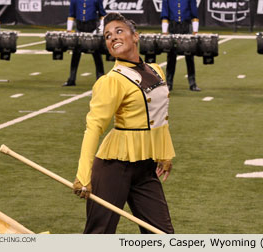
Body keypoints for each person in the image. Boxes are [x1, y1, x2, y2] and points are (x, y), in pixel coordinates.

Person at [72, 13, 175, 234]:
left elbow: (159, 117)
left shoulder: (156, 70)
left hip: (145, 166)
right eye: (108, 36)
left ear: (135, 36)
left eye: (119, 31)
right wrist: (83, 175)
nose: (113, 38)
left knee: (162, 235)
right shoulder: (112, 81)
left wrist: (164, 153)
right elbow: (93, 127)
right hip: (113, 167)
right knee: (99, 234)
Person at [63, 0, 106, 86]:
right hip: (79, 28)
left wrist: (101, 30)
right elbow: (71, 15)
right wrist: (69, 30)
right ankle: (71, 79)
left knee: (96, 54)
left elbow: (102, 15)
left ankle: (100, 78)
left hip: (93, 28)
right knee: (75, 54)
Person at [161, 0, 201, 91]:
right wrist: (164, 32)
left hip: (186, 26)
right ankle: (169, 83)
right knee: (171, 56)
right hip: (172, 26)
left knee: (189, 56)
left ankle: (192, 83)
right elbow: (165, 14)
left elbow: (194, 14)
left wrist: (195, 32)